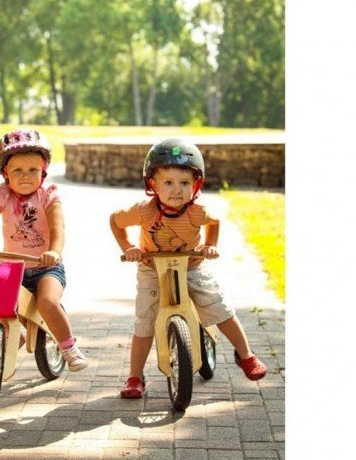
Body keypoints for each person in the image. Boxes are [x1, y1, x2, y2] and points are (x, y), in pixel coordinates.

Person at [109, 138, 267, 398]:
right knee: (145, 320)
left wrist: (210, 245)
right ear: (153, 184)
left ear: (196, 185)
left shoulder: (196, 212)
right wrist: (128, 247)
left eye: (185, 183)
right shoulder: (144, 211)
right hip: (152, 267)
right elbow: (115, 221)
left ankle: (246, 355)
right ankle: (135, 376)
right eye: (168, 183)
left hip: (191, 265)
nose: (177, 190)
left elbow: (214, 222)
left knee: (217, 305)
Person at [0, 129, 88, 371]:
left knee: (47, 302)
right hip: (14, 267)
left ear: (43, 171)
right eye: (17, 170)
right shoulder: (3, 194)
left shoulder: (48, 194)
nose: (26, 176)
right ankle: (13, 333)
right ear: (5, 173)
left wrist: (54, 252)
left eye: (33, 170)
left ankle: (69, 347)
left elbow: (57, 226)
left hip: (46, 267)